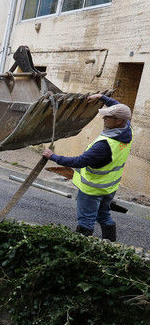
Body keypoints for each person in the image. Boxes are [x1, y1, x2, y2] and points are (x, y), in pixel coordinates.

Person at [42, 94, 133, 241]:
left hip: (93, 189)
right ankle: (110, 244)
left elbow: (80, 161)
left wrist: (53, 156)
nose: (104, 119)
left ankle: (80, 250)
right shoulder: (127, 130)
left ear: (119, 121)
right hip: (110, 187)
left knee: (86, 220)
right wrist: (102, 98)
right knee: (104, 215)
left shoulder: (104, 145)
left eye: (108, 117)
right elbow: (120, 108)